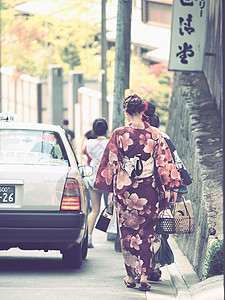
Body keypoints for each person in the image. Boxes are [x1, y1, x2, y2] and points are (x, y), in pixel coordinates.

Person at [94, 94, 181, 291]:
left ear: (126, 112)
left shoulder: (118, 134)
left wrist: (110, 190)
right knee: (147, 234)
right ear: (144, 111)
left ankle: (130, 277)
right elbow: (163, 164)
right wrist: (170, 187)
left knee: (127, 234)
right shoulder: (155, 135)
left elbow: (112, 162)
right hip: (148, 190)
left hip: (125, 191)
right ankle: (144, 275)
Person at [142, 101, 192, 282]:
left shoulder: (138, 135)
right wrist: (175, 189)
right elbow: (176, 165)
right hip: (165, 190)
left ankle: (145, 269)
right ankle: (153, 268)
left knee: (145, 230)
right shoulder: (164, 136)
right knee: (159, 230)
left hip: (143, 190)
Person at [86, 118, 109, 248]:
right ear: (106, 129)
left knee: (94, 210)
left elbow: (89, 155)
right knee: (112, 209)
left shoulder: (89, 144)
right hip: (107, 179)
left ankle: (89, 239)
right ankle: (113, 234)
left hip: (94, 179)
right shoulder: (110, 142)